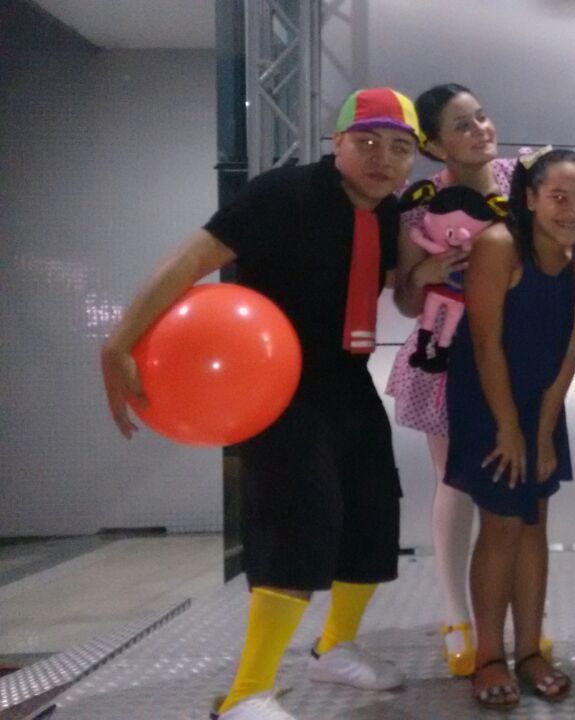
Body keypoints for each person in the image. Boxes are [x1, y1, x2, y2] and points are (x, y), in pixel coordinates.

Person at [101, 88, 420, 720]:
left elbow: (380, 282)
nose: (382, 158)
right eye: (366, 142)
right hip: (274, 384)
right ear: (337, 143)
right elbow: (193, 258)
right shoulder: (283, 194)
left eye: (399, 147)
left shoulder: (389, 214)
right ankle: (247, 693)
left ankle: (334, 649)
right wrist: (119, 341)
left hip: (347, 378)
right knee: (297, 523)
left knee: (372, 512)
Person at [388, 83, 575, 678]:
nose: (480, 131)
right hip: (450, 355)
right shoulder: (420, 205)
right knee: (462, 490)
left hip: (532, 367)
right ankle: (463, 621)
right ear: (434, 145)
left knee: (527, 516)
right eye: (461, 126)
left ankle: (526, 635)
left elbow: (569, 319)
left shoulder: (524, 176)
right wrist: (427, 271)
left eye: (481, 117)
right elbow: (409, 303)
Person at [442, 147, 575, 709]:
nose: (572, 211)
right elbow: (485, 346)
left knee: (534, 523)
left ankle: (530, 651)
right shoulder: (498, 245)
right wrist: (509, 429)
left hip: (542, 401)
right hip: (488, 399)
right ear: (530, 198)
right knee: (503, 525)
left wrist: (544, 429)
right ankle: (488, 657)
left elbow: (571, 347)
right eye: (558, 197)